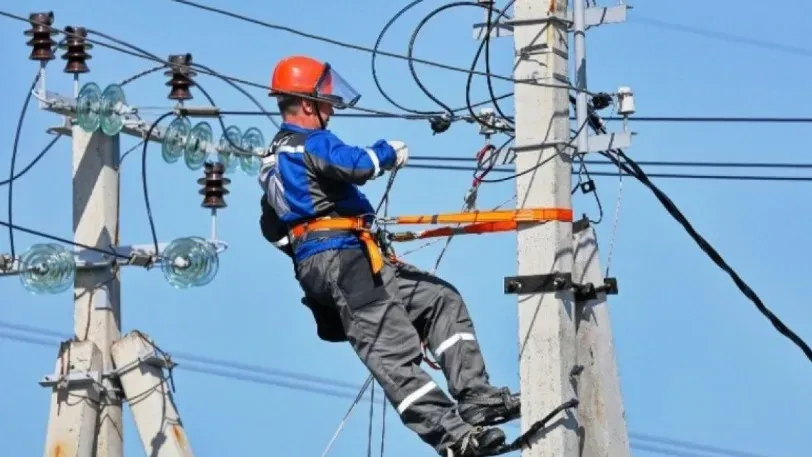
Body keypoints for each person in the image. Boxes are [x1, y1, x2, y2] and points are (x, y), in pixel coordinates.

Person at [256, 54, 521, 457]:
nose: (330, 109)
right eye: (325, 101)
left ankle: (477, 398)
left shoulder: (273, 158)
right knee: (393, 351)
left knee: (438, 299)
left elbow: (271, 228)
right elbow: (357, 165)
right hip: (345, 262)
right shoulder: (311, 141)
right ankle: (455, 438)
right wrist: (387, 152)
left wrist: (313, 250)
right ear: (307, 104)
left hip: (340, 262)